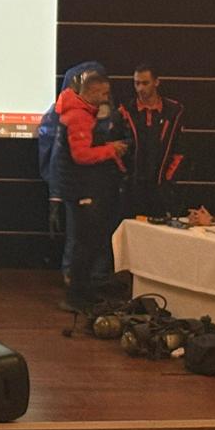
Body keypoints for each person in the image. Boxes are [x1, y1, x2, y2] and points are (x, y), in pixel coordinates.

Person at [48, 63, 129, 312]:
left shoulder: (79, 112)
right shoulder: (79, 117)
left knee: (87, 243)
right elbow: (81, 156)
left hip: (81, 189)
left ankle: (84, 292)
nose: (106, 99)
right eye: (103, 94)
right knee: (84, 245)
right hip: (81, 190)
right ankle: (76, 297)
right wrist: (111, 150)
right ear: (92, 92)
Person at [116, 62, 186, 219]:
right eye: (137, 83)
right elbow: (115, 146)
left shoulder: (173, 111)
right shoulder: (125, 110)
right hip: (132, 187)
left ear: (156, 82)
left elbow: (180, 149)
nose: (140, 88)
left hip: (160, 186)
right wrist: (125, 175)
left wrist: (167, 178)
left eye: (145, 83)